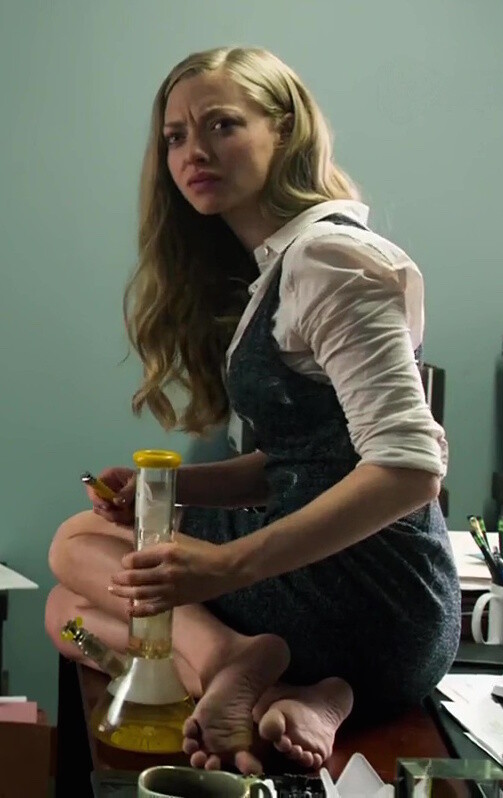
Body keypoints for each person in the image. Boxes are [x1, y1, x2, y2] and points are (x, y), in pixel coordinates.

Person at [45, 45, 460, 776]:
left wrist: (226, 566)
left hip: (372, 595)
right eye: (175, 136)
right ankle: (280, 693)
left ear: (285, 130)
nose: (193, 152)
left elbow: (409, 469)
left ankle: (234, 663)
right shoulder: (285, 264)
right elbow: (306, 460)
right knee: (66, 617)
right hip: (354, 627)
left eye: (222, 125)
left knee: (76, 544)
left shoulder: (331, 262)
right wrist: (170, 489)